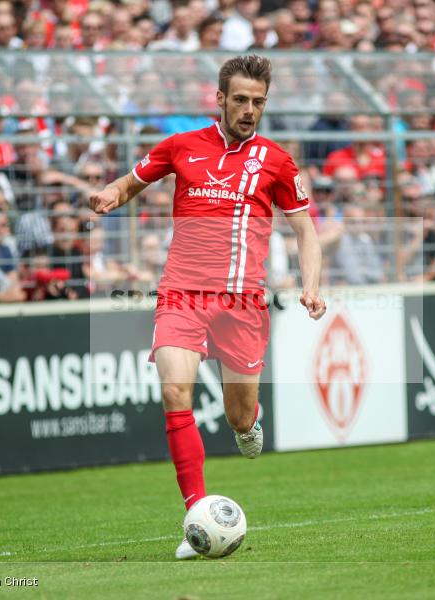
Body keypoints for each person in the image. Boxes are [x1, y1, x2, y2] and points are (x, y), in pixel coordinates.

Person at [88, 55, 325, 561]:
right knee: (175, 390)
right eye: (240, 99)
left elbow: (306, 229)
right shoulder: (181, 146)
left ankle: (248, 421)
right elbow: (132, 181)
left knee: (238, 417)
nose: (249, 109)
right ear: (219, 99)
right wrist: (112, 191)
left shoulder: (278, 162)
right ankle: (197, 512)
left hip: (242, 302)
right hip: (182, 293)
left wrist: (311, 285)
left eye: (258, 102)